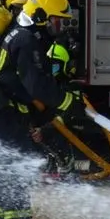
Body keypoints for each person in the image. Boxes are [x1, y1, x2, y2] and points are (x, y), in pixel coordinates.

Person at [0, 0, 87, 219]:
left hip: (6, 110)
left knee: (17, 159)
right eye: (57, 21)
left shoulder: (21, 34)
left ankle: (18, 218)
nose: (60, 28)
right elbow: (36, 84)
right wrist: (67, 101)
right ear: (41, 16)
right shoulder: (25, 40)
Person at [29, 41, 81, 179]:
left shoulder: (71, 87)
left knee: (56, 135)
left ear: (66, 66)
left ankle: (66, 167)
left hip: (66, 127)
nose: (53, 70)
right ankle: (49, 164)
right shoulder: (46, 86)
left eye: (56, 66)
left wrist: (46, 129)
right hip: (49, 126)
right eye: (51, 65)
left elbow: (72, 112)